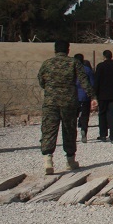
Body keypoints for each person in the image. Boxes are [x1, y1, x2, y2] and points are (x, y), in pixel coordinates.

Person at [38, 41, 96, 174]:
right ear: (68, 50)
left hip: (51, 102)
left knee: (49, 129)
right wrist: (92, 96)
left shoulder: (47, 63)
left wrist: (51, 89)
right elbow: (84, 81)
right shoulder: (74, 63)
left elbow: (41, 81)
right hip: (69, 102)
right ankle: (70, 161)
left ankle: (48, 160)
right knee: (69, 130)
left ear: (55, 50)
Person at [73, 53, 95, 144]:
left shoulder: (71, 69)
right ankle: (84, 130)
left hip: (74, 96)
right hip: (85, 96)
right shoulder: (87, 70)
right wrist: (93, 95)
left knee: (73, 116)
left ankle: (73, 134)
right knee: (85, 116)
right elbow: (92, 83)